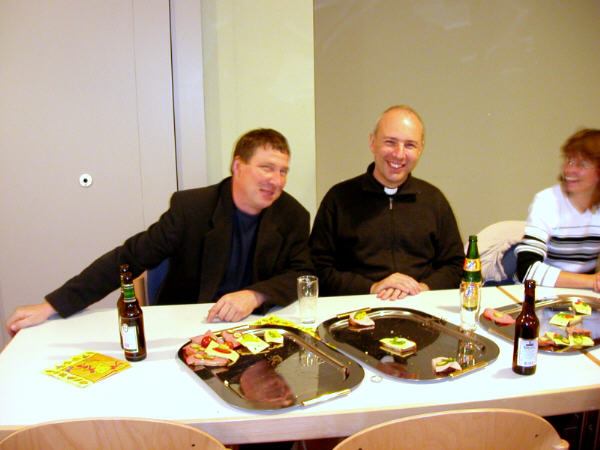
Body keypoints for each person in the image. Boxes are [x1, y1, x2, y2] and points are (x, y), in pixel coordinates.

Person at [6, 128, 313, 336]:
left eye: (283, 171)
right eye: (266, 168)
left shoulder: (293, 215)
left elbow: (302, 273)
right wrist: (52, 306)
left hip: (256, 331)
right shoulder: (192, 209)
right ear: (237, 166)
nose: (276, 180)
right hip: (187, 328)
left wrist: (255, 295)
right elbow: (128, 258)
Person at [309, 105, 464, 300]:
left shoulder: (434, 200)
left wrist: (423, 288)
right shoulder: (338, 199)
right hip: (356, 306)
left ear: (420, 149)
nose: (399, 154)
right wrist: (372, 287)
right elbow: (317, 268)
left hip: (421, 304)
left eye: (410, 145)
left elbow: (456, 265)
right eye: (390, 142)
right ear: (372, 143)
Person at [515, 129, 600, 290]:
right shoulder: (548, 201)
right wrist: (591, 281)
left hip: (583, 297)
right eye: (569, 161)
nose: (569, 170)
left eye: (581, 164)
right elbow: (526, 269)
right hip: (540, 294)